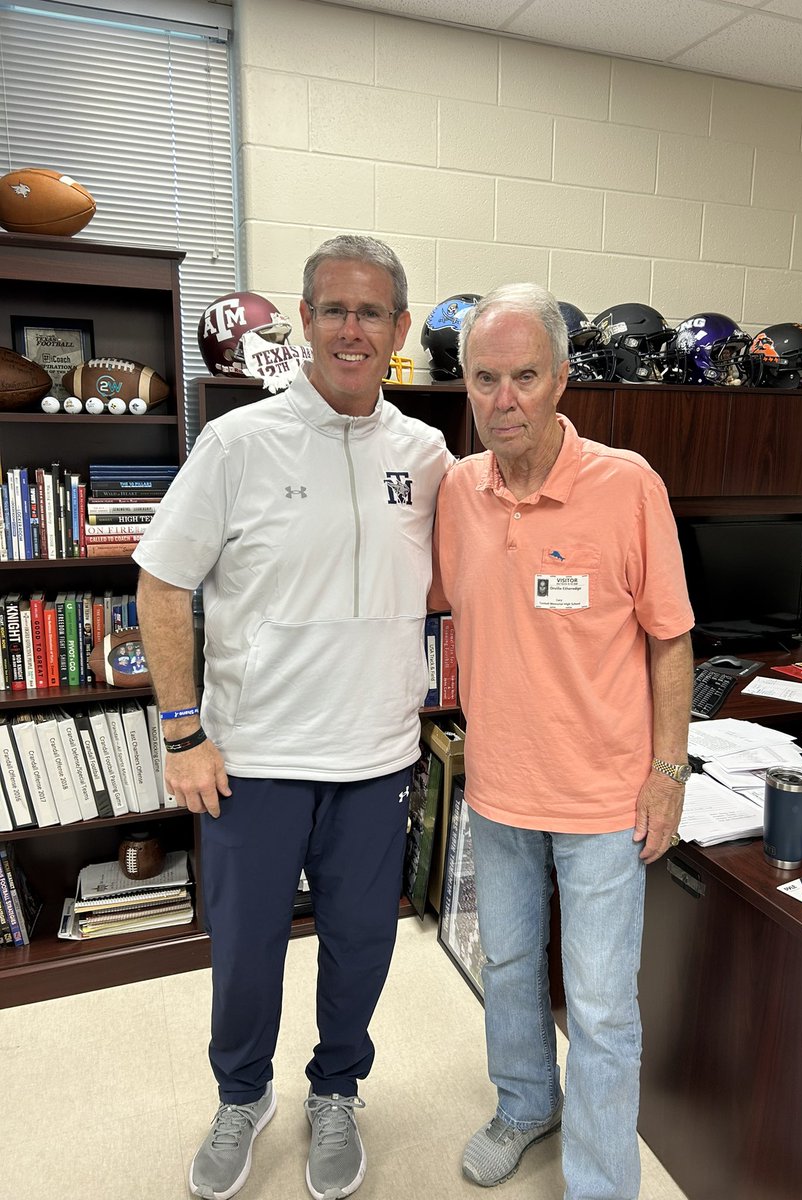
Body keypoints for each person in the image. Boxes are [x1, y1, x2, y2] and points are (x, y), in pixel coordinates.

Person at [134, 234, 455, 1200]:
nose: (352, 330)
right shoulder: (237, 442)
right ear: (305, 321)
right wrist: (182, 730)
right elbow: (159, 580)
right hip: (257, 759)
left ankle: (335, 1091)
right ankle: (242, 1097)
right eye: (333, 310)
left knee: (362, 944)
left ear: (400, 329)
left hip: (378, 758)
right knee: (245, 954)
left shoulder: (428, 454)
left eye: (372, 313)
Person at [429, 283, 695, 1200]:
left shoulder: (627, 486)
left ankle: (599, 1182)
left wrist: (668, 772)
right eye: (485, 378)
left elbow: (671, 638)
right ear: (465, 385)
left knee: (602, 1009)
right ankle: (523, 1102)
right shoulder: (457, 493)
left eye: (525, 376)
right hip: (499, 788)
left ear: (562, 380)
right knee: (504, 967)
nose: (504, 400)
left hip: (602, 802)